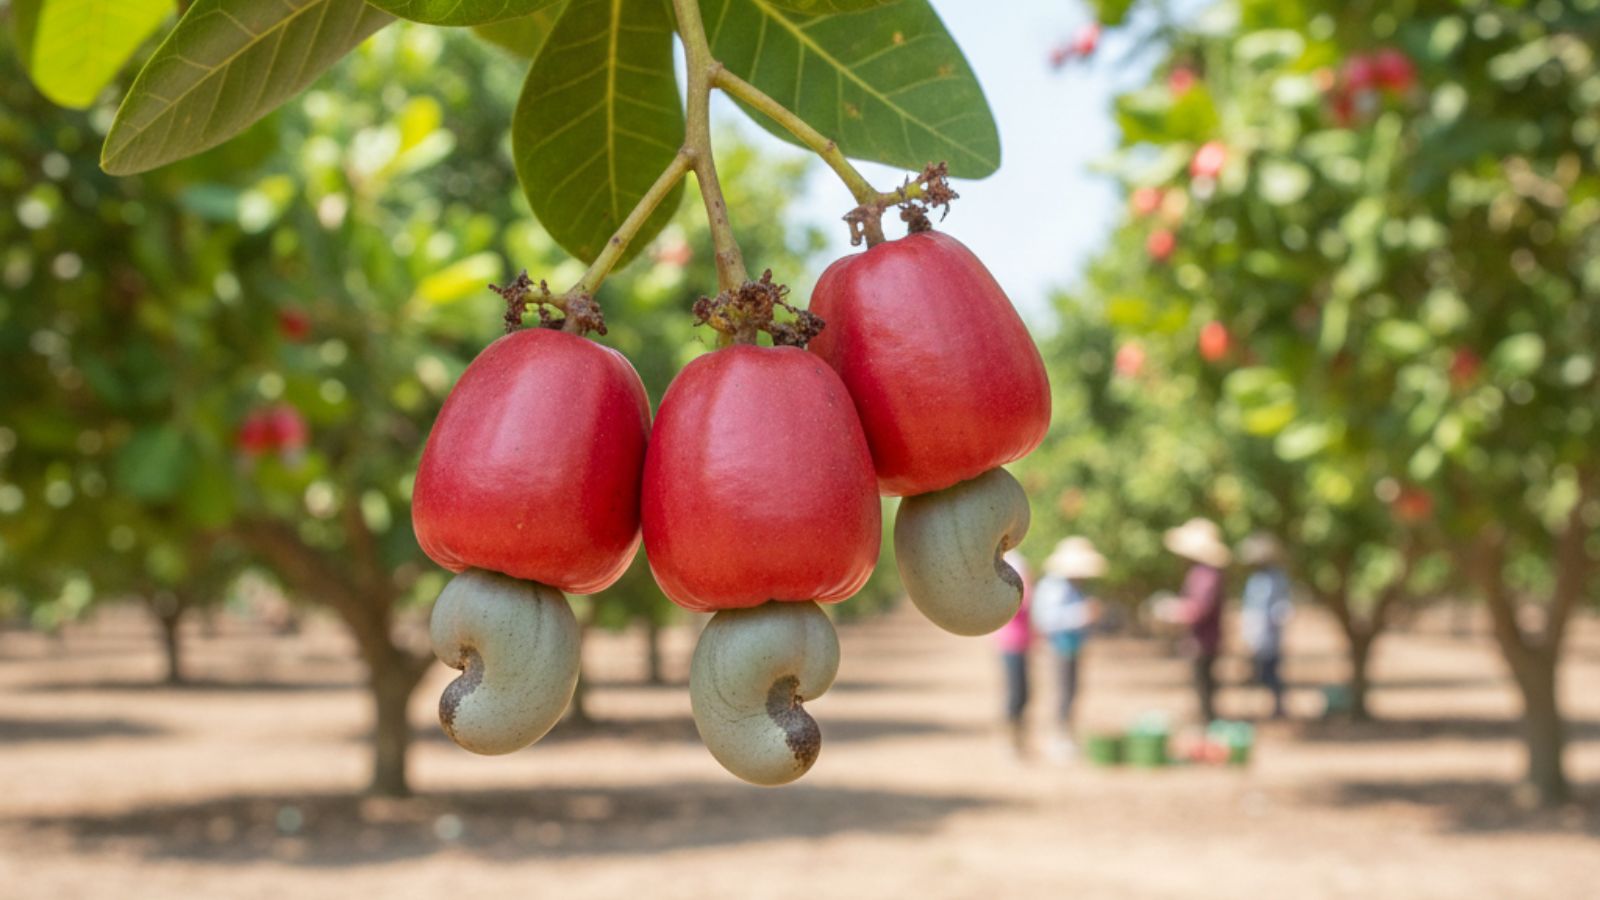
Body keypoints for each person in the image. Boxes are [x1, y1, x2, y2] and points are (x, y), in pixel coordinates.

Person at [1030, 536, 1107, 761]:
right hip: (1059, 647)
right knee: (1062, 692)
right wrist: (1082, 614)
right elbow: (1046, 619)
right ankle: (1058, 737)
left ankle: (1066, 735)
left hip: (1073, 646)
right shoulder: (1053, 587)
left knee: (1072, 691)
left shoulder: (1074, 585)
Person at [1162, 518, 1232, 724]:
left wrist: (1173, 612)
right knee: (1203, 689)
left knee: (1205, 690)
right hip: (1203, 640)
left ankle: (1209, 729)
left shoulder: (1206, 574)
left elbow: (1199, 609)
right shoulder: (1201, 573)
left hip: (1204, 641)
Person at [1239, 532, 1292, 719]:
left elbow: (1280, 608)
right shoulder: (1254, 580)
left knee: (1271, 671)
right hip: (1255, 632)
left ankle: (1278, 706)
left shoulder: (1276, 578)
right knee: (1256, 670)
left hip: (1270, 633)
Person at [995, 549, 1034, 757]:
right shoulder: (1010, 590)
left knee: (1024, 693)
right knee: (1015, 693)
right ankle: (1011, 741)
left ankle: (1020, 739)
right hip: (1010, 643)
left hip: (1022, 643)